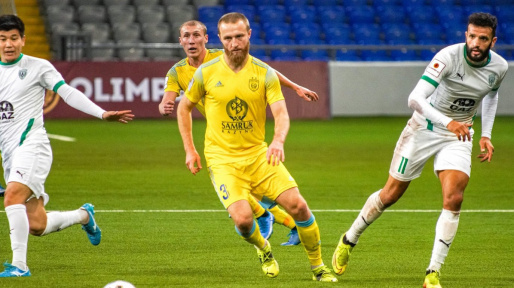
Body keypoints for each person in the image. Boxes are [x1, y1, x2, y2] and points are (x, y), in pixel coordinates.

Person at [332, 13, 507, 288]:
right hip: (424, 128)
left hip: (459, 135)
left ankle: (433, 273)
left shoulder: (499, 67)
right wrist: (447, 121)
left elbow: (492, 94)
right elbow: (414, 98)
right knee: (391, 194)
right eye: (471, 36)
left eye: (482, 39)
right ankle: (350, 238)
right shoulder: (448, 58)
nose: (475, 43)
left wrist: (485, 134)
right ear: (466, 35)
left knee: (455, 198)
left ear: (492, 41)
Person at [177, 13, 337, 282]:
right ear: (220, 40)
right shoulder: (206, 72)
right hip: (222, 159)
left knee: (299, 206)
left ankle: (318, 267)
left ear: (249, 34)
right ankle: (264, 249)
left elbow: (282, 113)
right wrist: (190, 149)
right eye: (228, 38)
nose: (234, 43)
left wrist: (277, 141)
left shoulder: (264, 73)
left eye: (239, 36)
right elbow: (184, 107)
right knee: (242, 221)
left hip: (258, 155)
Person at [159, 20, 317, 246]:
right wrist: (164, 106)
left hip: (247, 133)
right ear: (180, 40)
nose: (191, 40)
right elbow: (169, 98)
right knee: (239, 195)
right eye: (186, 36)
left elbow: (266, 71)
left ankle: (276, 220)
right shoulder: (176, 71)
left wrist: (295, 87)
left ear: (206, 39)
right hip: (220, 138)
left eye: (196, 35)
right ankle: (280, 221)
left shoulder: (224, 56)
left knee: (249, 193)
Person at [0, 15, 134, 277]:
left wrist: (102, 113)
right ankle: (84, 216)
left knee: (12, 196)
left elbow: (67, 92)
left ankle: (19, 266)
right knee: (36, 225)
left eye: (14, 38)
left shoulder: (38, 66)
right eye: (3, 39)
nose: (8, 44)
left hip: (33, 145)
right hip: (10, 155)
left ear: (23, 40)